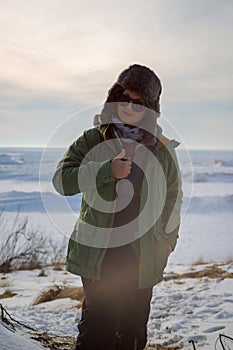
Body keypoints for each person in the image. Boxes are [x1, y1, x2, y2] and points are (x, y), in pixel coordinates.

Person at [52, 64, 182, 350]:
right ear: (115, 96)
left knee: (133, 330)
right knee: (99, 328)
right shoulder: (93, 139)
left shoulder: (160, 149)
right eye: (124, 98)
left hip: (143, 252)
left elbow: (174, 194)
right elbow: (62, 181)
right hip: (101, 251)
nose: (129, 107)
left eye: (139, 103)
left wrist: (169, 238)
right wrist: (105, 170)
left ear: (149, 107)